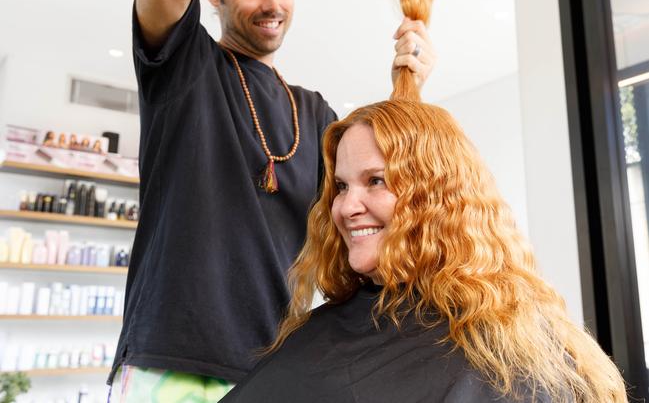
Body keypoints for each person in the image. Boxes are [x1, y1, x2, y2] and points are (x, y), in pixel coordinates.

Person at [109, 0, 435, 400]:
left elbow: (373, 199)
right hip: (174, 361)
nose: (273, 4)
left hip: (279, 366)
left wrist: (408, 88)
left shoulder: (314, 111)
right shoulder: (184, 69)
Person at [221, 100, 629, 403]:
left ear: (435, 196)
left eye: (376, 181)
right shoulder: (324, 330)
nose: (346, 207)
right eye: (342, 187)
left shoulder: (511, 345)